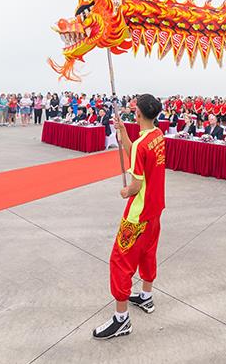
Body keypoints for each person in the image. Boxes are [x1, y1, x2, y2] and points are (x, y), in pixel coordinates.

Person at [93, 94, 166, 340]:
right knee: (148, 252)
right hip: (155, 209)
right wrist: (123, 133)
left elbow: (135, 183)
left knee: (120, 261)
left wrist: (126, 191)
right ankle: (146, 296)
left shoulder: (143, 145)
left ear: (138, 114)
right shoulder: (157, 136)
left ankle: (121, 319)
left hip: (138, 214)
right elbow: (136, 153)